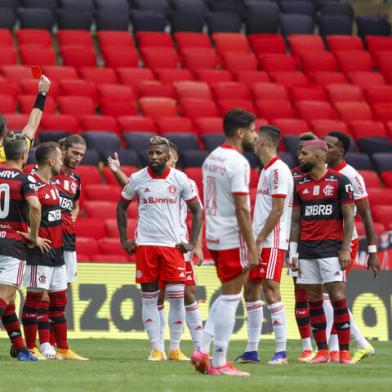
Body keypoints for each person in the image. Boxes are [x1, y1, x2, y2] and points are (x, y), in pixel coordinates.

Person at [107, 142, 204, 359]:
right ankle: (156, 348)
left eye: (159, 152)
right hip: (146, 245)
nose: (154, 156)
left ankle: (175, 348)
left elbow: (197, 210)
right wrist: (124, 239)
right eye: (150, 152)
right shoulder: (138, 178)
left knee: (179, 297)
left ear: (168, 155)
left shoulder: (181, 180)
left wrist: (192, 243)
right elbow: (121, 206)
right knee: (150, 298)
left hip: (174, 246)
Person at [191, 109, 258, 377]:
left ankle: (202, 348)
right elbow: (242, 208)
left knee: (229, 293)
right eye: (253, 130)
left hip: (214, 235)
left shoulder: (211, 158)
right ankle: (219, 361)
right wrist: (252, 247)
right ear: (240, 132)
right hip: (233, 235)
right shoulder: (238, 162)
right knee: (232, 298)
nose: (255, 134)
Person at [289, 139, 355, 365]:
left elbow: (349, 218)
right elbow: (296, 221)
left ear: (318, 156)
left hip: (331, 249)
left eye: (304, 153)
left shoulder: (340, 181)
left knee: (337, 297)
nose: (300, 157)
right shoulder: (299, 185)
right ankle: (323, 351)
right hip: (306, 250)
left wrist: (345, 249)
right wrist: (293, 252)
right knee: (314, 300)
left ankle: (344, 352)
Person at [21, 142, 88, 361]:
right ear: (51, 161)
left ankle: (63, 348)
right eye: (59, 158)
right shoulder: (30, 184)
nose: (62, 162)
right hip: (40, 253)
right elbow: (20, 214)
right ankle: (31, 347)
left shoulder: (52, 184)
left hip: (58, 251)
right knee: (35, 300)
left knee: (59, 302)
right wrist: (33, 237)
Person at [0, 75, 51, 359]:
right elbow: (32, 124)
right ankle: (21, 349)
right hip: (14, 238)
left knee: (6, 299)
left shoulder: (8, 152)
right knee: (5, 295)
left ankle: (20, 348)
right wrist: (42, 94)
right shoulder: (17, 162)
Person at [235, 125, 293, 365]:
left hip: (272, 241)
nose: (253, 141)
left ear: (264, 143)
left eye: (256, 139)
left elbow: (278, 210)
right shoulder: (266, 171)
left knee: (270, 289)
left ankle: (281, 352)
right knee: (250, 289)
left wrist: (258, 241)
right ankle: (252, 350)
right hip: (260, 240)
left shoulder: (278, 170)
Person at [324, 131, 379, 363]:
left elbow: (366, 214)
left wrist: (373, 252)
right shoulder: (322, 172)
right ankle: (337, 349)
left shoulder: (351, 176)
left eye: (330, 145)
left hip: (345, 242)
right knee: (328, 294)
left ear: (340, 151)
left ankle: (355, 344)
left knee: (332, 294)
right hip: (324, 240)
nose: (324, 148)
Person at [290, 132, 319, 362]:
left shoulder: (333, 179)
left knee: (326, 296)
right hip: (298, 245)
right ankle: (306, 347)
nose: (300, 155)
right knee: (300, 295)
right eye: (298, 150)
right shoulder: (291, 178)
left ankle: (331, 346)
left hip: (324, 245)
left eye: (305, 150)